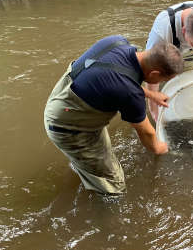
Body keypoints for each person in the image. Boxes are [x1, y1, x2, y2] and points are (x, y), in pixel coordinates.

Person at [44, 35, 183, 196]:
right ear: (154, 73)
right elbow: (146, 132)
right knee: (114, 185)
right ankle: (101, 205)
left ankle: (84, 165)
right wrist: (160, 148)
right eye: (164, 79)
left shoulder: (117, 42)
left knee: (95, 161)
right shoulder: (130, 94)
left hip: (62, 99)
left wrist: (151, 95)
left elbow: (112, 76)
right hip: (67, 127)